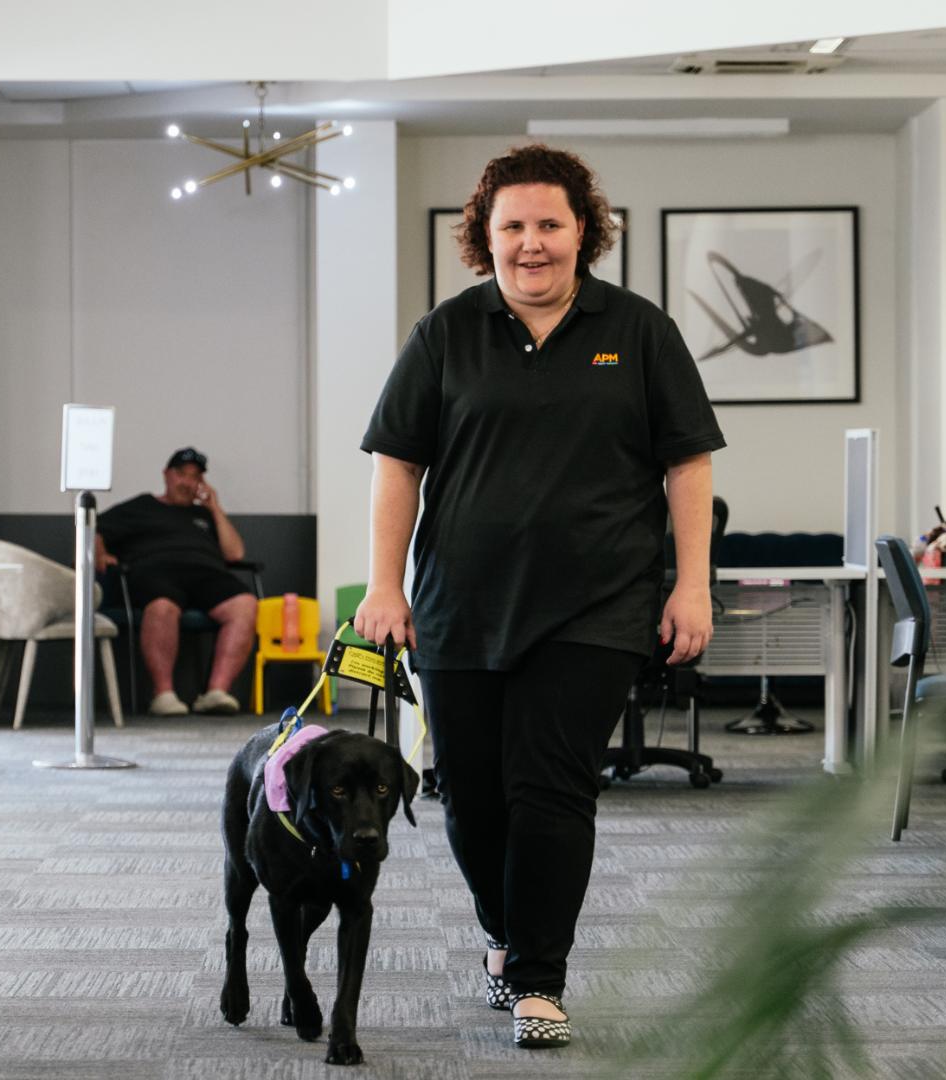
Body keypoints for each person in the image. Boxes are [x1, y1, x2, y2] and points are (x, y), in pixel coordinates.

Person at [352, 144, 724, 1050]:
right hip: (461, 609)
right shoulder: (448, 333)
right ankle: (504, 936)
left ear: (584, 231)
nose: (532, 243)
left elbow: (688, 464)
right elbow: (399, 464)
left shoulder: (637, 331)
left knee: (554, 789)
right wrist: (382, 585)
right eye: (512, 225)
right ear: (484, 236)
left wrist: (693, 586)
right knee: (473, 798)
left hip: (596, 607)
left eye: (549, 224)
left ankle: (537, 980)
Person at [95, 447, 258, 716]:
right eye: (181, 474)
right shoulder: (142, 506)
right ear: (167, 475)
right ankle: (164, 695)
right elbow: (96, 527)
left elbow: (235, 554)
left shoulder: (205, 515)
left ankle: (216, 692)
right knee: (162, 607)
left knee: (245, 604)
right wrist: (100, 554)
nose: (187, 482)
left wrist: (215, 508)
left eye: (195, 477)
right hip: (157, 572)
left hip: (206, 574)